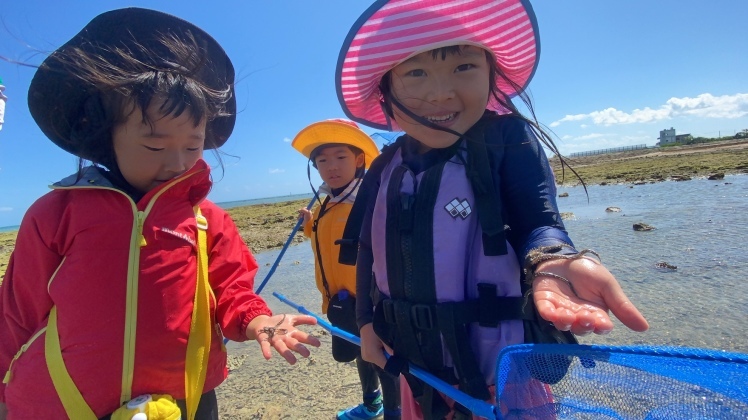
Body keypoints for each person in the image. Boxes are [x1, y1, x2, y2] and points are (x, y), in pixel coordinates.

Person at [334, 1, 650, 419]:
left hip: (502, 376)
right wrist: (367, 323)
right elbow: (367, 251)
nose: (441, 92)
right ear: (386, 90)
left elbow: (538, 222)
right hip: (416, 371)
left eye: (464, 67)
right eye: (415, 72)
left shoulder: (508, 140)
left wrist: (553, 261)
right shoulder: (382, 167)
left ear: (491, 73)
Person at [0, 8, 320, 420]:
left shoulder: (208, 222)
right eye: (155, 146)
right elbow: (17, 313)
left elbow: (231, 292)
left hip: (186, 399)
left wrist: (258, 321)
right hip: (62, 404)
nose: (178, 162)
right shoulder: (56, 214)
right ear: (106, 135)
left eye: (193, 145)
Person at [292, 119, 401, 420]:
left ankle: (397, 413)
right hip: (339, 303)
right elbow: (329, 243)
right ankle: (372, 403)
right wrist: (309, 226)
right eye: (322, 160)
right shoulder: (324, 204)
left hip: (371, 304)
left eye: (340, 157)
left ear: (359, 160)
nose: (331, 167)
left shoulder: (371, 202)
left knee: (383, 360)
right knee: (358, 355)